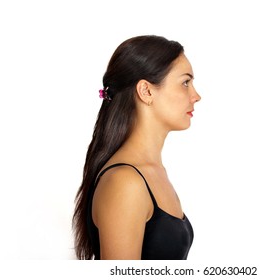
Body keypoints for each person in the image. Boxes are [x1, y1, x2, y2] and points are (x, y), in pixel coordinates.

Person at [72, 35, 201, 260]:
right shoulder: (125, 182)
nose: (196, 96)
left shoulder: (153, 172)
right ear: (146, 91)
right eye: (185, 82)